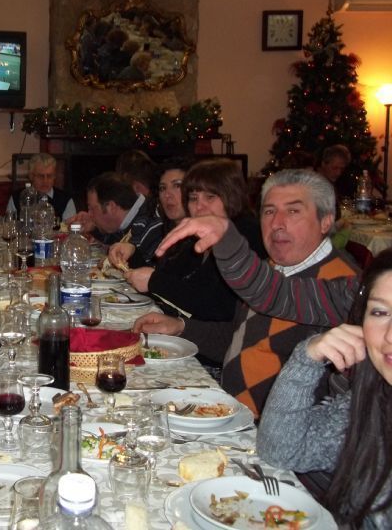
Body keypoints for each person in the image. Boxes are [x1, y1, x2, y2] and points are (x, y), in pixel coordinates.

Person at [133, 169, 358, 416]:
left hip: (272, 431)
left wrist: (227, 238)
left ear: (326, 220)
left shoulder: (345, 286)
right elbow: (237, 339)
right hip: (227, 408)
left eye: (293, 211)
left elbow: (273, 294)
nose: (277, 223)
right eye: (269, 211)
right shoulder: (274, 267)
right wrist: (181, 327)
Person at [257, 249, 392, 529]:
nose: (389, 335)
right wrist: (307, 357)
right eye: (380, 312)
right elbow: (280, 450)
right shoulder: (370, 403)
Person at [124, 159, 266, 323]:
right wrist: (133, 255)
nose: (199, 206)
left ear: (231, 196)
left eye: (210, 197)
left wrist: (155, 281)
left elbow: (221, 307)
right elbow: (168, 283)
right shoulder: (197, 237)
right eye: (193, 198)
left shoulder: (246, 233)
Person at [108, 157, 190, 268]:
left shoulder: (200, 237)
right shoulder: (166, 229)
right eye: (162, 188)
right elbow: (154, 275)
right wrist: (132, 252)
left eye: (177, 186)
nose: (167, 194)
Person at [69, 172, 143, 247]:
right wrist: (94, 228)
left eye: (91, 209)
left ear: (111, 207)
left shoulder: (144, 227)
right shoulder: (132, 219)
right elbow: (117, 240)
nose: (90, 214)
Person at [7, 153, 76, 221]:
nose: (45, 181)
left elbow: (71, 228)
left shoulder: (65, 200)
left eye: (49, 176)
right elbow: (9, 226)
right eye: (40, 176)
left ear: (54, 176)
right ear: (31, 176)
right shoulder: (17, 198)